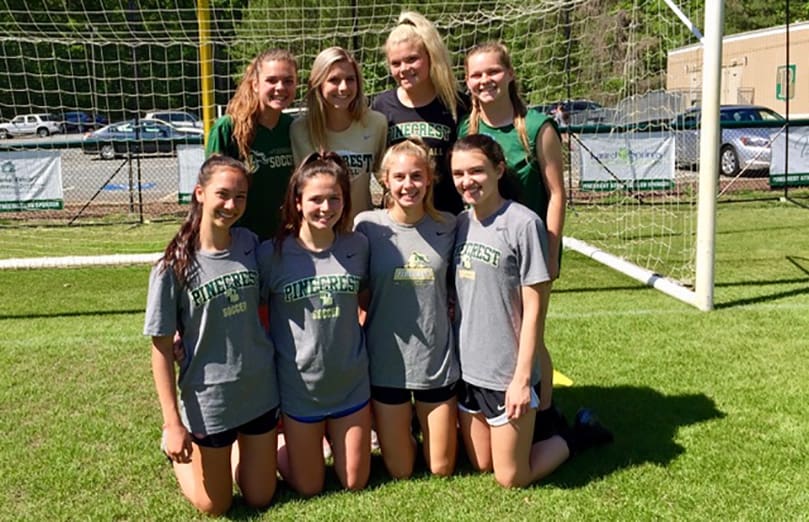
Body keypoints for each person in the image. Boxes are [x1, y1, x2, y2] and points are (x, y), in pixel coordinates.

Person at [449, 135, 611, 488]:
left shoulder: (523, 224)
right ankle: (540, 427)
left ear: (499, 169)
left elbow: (535, 310)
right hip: (469, 372)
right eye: (458, 173)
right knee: (480, 464)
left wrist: (523, 379)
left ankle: (578, 434)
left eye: (476, 170)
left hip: (507, 373)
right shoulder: (461, 224)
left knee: (511, 478)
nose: (466, 181)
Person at [145, 155, 280, 515]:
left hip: (259, 389)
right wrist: (172, 424)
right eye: (223, 194)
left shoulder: (250, 244)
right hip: (211, 400)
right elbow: (160, 348)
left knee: (260, 497)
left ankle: (235, 448)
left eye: (241, 197)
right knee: (215, 506)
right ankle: (179, 453)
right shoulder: (172, 265)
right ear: (200, 193)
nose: (232, 205)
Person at [459, 41, 567, 427]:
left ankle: (547, 415)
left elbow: (557, 193)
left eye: (492, 72)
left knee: (531, 333)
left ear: (510, 75)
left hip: (532, 250)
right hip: (491, 249)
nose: (485, 80)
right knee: (509, 331)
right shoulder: (467, 128)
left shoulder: (536, 127)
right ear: (467, 81)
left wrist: (551, 250)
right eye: (476, 74)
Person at [259, 152, 371, 496]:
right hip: (300, 390)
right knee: (309, 487)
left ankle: (338, 441)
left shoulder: (358, 245)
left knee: (354, 482)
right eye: (316, 199)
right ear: (297, 201)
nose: (326, 207)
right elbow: (254, 314)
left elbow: (366, 302)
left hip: (350, 384)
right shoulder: (271, 254)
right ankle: (272, 448)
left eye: (334, 198)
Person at [354, 138, 459, 479]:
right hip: (388, 363)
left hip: (435, 360)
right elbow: (357, 289)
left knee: (441, 468)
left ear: (430, 178)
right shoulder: (367, 226)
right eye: (399, 177)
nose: (408, 185)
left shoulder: (450, 225)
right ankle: (401, 433)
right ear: (384, 179)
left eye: (416, 176)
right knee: (400, 470)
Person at [372, 11, 467, 215]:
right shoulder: (381, 105)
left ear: (430, 56)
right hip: (399, 219)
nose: (404, 69)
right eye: (395, 63)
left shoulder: (455, 103)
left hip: (447, 217)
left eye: (412, 59)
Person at [206, 48, 298, 241]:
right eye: (271, 80)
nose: (280, 87)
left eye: (288, 81)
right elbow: (211, 193)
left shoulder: (294, 128)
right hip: (239, 240)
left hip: (285, 239)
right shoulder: (228, 129)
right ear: (255, 84)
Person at [290, 47, 387, 220]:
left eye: (350, 79)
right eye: (334, 80)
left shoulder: (376, 123)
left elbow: (387, 180)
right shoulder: (299, 130)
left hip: (360, 230)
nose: (343, 88)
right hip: (318, 231)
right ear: (318, 84)